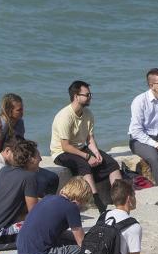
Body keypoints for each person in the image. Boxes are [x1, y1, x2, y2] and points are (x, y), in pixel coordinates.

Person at [51, 80, 121, 213]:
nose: (90, 97)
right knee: (83, 164)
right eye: (87, 95)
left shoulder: (88, 113)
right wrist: (88, 156)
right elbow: (65, 146)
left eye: (90, 94)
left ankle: (120, 197)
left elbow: (89, 138)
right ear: (76, 96)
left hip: (79, 148)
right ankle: (96, 200)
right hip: (60, 152)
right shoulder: (65, 116)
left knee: (111, 163)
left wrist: (96, 152)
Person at [16, 177, 92, 254]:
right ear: (82, 197)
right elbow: (82, 243)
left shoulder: (48, 198)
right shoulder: (71, 207)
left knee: (68, 239)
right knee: (89, 251)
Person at [0, 93, 60, 197]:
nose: (22, 112)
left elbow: (21, 144)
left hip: (20, 162)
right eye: (19, 110)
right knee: (41, 182)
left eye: (22, 109)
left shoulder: (19, 122)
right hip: (8, 165)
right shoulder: (2, 126)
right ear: (9, 111)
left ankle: (45, 208)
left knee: (53, 178)